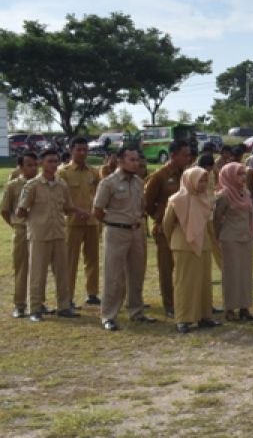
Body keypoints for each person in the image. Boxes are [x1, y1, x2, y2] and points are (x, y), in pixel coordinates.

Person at [92, 146, 155, 331]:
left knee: (137, 273)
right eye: (132, 159)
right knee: (114, 275)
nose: (136, 163)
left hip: (136, 231)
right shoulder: (108, 183)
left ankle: (136, 312)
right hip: (116, 232)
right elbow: (97, 211)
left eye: (137, 160)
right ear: (120, 160)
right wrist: (114, 223)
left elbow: (141, 206)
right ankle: (108, 315)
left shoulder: (138, 182)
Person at [17, 149, 82, 321]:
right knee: (37, 274)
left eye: (56, 161)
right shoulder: (32, 186)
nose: (53, 165)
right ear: (41, 163)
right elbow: (21, 210)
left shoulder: (62, 185)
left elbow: (68, 207)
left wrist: (80, 212)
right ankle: (35, 309)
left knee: (62, 272)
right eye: (50, 161)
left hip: (59, 233)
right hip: (40, 235)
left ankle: (64, 306)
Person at [162, 167, 219, 333]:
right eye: (200, 180)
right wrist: (175, 240)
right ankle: (184, 319)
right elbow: (167, 225)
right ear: (190, 180)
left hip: (204, 245)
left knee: (204, 282)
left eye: (204, 180)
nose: (203, 184)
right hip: (183, 245)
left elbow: (209, 224)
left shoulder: (206, 199)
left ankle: (204, 316)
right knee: (184, 282)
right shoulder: (176, 200)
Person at [143, 140, 192, 319]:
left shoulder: (187, 175)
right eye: (184, 155)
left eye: (189, 155)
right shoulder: (159, 176)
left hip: (185, 227)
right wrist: (159, 217)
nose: (188, 159)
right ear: (173, 155)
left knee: (184, 267)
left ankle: (185, 301)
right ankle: (170, 305)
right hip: (165, 229)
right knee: (166, 268)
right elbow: (147, 203)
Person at [213, 162, 253, 321]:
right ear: (229, 175)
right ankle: (230, 309)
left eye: (244, 173)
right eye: (239, 174)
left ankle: (245, 308)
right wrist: (218, 238)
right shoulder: (224, 195)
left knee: (245, 274)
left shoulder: (245, 192)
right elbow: (217, 219)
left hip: (246, 237)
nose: (243, 177)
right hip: (230, 239)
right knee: (231, 274)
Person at [61, 136, 102, 307]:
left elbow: (100, 195)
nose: (83, 153)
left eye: (85, 149)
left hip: (92, 222)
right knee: (70, 261)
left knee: (92, 259)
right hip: (72, 223)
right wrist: (74, 212)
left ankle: (92, 293)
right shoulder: (62, 172)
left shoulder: (93, 172)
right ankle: (67, 297)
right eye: (79, 149)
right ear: (71, 150)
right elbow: (59, 198)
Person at [3, 152, 38, 318]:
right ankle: (20, 304)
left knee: (39, 268)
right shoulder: (13, 185)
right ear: (21, 167)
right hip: (22, 230)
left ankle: (38, 303)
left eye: (35, 164)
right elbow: (4, 210)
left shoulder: (42, 184)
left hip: (40, 230)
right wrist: (15, 224)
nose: (33, 168)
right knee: (22, 268)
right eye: (29, 165)